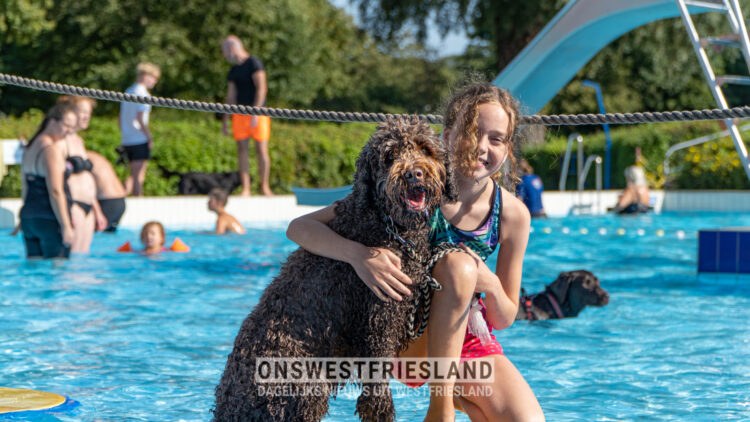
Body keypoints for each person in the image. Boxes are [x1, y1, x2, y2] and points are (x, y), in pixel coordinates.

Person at [287, 82, 544, 421]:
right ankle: (441, 411)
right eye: (472, 133)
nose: (482, 147)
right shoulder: (413, 186)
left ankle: (458, 398)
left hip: (463, 339)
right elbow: (299, 228)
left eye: (495, 139)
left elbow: (504, 316)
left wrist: (491, 284)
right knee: (458, 266)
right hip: (404, 336)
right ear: (447, 136)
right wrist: (359, 256)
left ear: (508, 149)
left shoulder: (512, 214)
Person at [19, 103, 78, 259]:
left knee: (34, 272)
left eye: (73, 127)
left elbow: (25, 188)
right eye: (67, 125)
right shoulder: (51, 150)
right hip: (49, 219)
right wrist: (66, 226)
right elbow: (56, 191)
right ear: (52, 122)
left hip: (29, 219)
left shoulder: (30, 147)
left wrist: (21, 219)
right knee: (58, 274)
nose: (70, 131)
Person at [221, 35, 273, 197]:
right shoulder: (234, 70)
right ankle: (246, 188)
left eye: (224, 51)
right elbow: (231, 96)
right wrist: (225, 120)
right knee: (242, 150)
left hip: (259, 112)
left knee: (261, 149)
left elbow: (261, 88)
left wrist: (256, 112)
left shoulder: (254, 63)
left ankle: (264, 187)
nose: (224, 55)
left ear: (231, 48)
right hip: (240, 114)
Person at [57, 96, 107, 252]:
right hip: (73, 205)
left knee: (82, 258)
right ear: (70, 113)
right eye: (82, 112)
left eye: (89, 113)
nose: (87, 117)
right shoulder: (61, 141)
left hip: (88, 208)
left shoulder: (78, 140)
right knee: (71, 257)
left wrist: (97, 211)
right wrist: (65, 212)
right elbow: (57, 180)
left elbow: (86, 178)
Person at [119, 62, 160, 197]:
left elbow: (120, 118)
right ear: (145, 76)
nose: (155, 82)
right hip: (139, 138)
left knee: (132, 174)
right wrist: (149, 137)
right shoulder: (143, 94)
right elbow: (140, 118)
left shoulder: (128, 91)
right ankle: (138, 202)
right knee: (139, 176)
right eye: (154, 78)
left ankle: (122, 195)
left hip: (127, 138)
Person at [87, 150, 127, 232]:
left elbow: (87, 187)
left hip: (106, 202)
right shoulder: (96, 156)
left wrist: (98, 212)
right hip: (120, 201)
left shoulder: (81, 158)